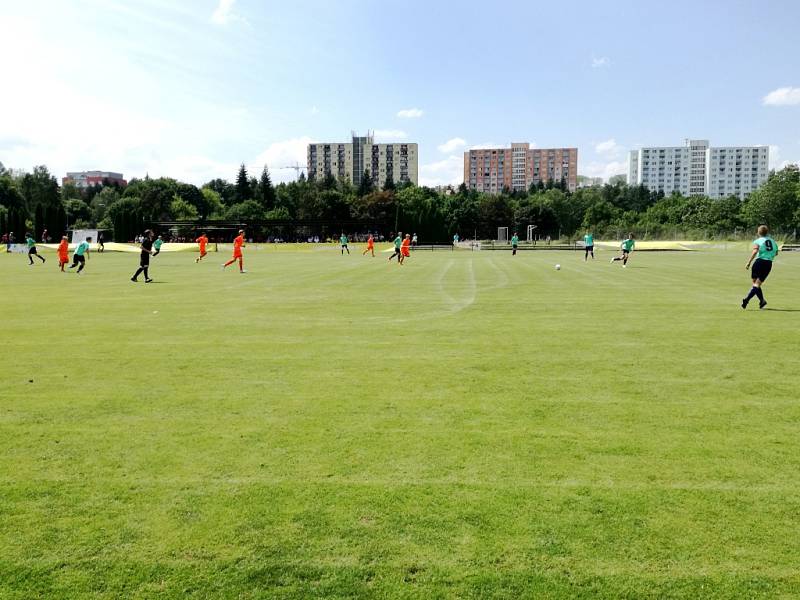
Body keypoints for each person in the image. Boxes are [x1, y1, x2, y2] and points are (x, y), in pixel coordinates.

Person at [742, 225, 779, 310]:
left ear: (758, 232)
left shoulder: (758, 241)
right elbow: (776, 253)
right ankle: (762, 301)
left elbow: (755, 251)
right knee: (756, 284)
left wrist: (749, 262)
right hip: (768, 263)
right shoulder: (773, 241)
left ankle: (746, 300)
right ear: (767, 232)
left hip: (758, 262)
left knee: (756, 284)